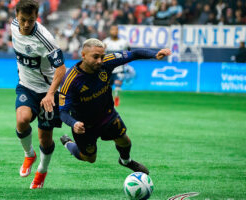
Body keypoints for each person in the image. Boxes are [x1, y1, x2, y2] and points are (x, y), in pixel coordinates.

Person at [59, 38, 171, 174]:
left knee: (125, 141)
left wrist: (154, 54)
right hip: (84, 126)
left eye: (102, 56)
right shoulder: (70, 80)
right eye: (95, 57)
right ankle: (68, 144)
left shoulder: (107, 62)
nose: (100, 61)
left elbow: (134, 54)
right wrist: (74, 123)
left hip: (107, 115)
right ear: (83, 55)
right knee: (89, 158)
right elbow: (62, 112)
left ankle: (126, 161)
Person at [11, 0, 66, 189]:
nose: (27, 24)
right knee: (22, 119)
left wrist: (51, 94)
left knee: (45, 138)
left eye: (31, 20)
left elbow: (61, 69)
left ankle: (42, 170)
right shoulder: (13, 26)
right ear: (16, 16)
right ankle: (29, 155)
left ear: (37, 18)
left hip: (48, 91)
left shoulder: (45, 39)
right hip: (26, 86)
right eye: (23, 20)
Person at [103, 24, 132, 107]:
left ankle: (117, 100)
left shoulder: (124, 42)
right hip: (108, 68)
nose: (114, 31)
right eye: (113, 30)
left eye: (116, 30)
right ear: (110, 31)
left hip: (119, 68)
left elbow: (129, 51)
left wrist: (126, 59)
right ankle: (108, 100)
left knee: (118, 85)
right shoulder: (105, 42)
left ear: (118, 31)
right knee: (107, 87)